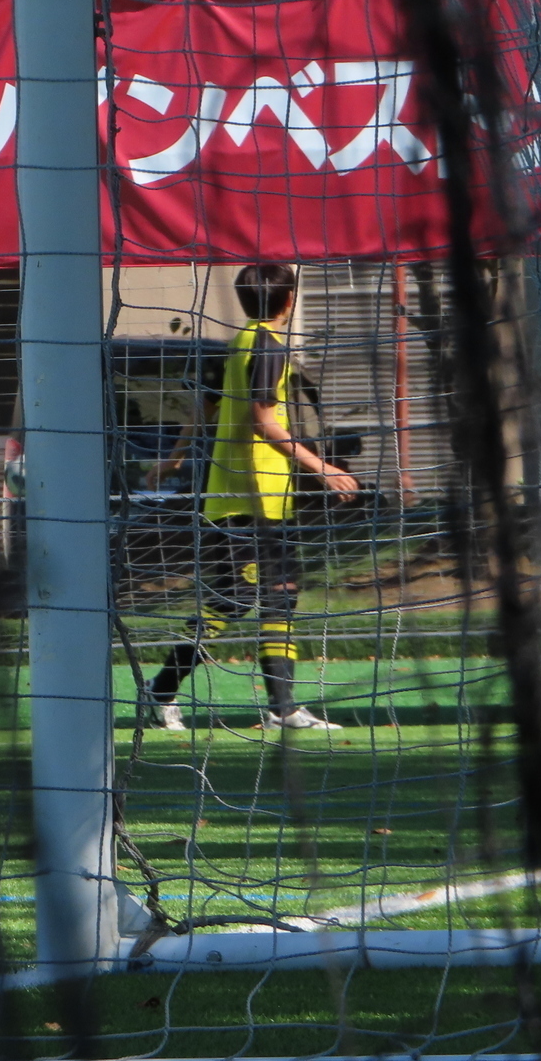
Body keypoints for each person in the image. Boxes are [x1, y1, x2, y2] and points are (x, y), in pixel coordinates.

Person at [147, 263, 358, 732]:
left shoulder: (238, 343)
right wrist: (322, 467)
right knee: (233, 600)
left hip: (267, 499)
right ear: (288, 302)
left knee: (281, 598)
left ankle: (284, 709)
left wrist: (176, 457)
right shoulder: (266, 347)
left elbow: (207, 406)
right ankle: (160, 690)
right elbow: (263, 421)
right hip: (246, 499)